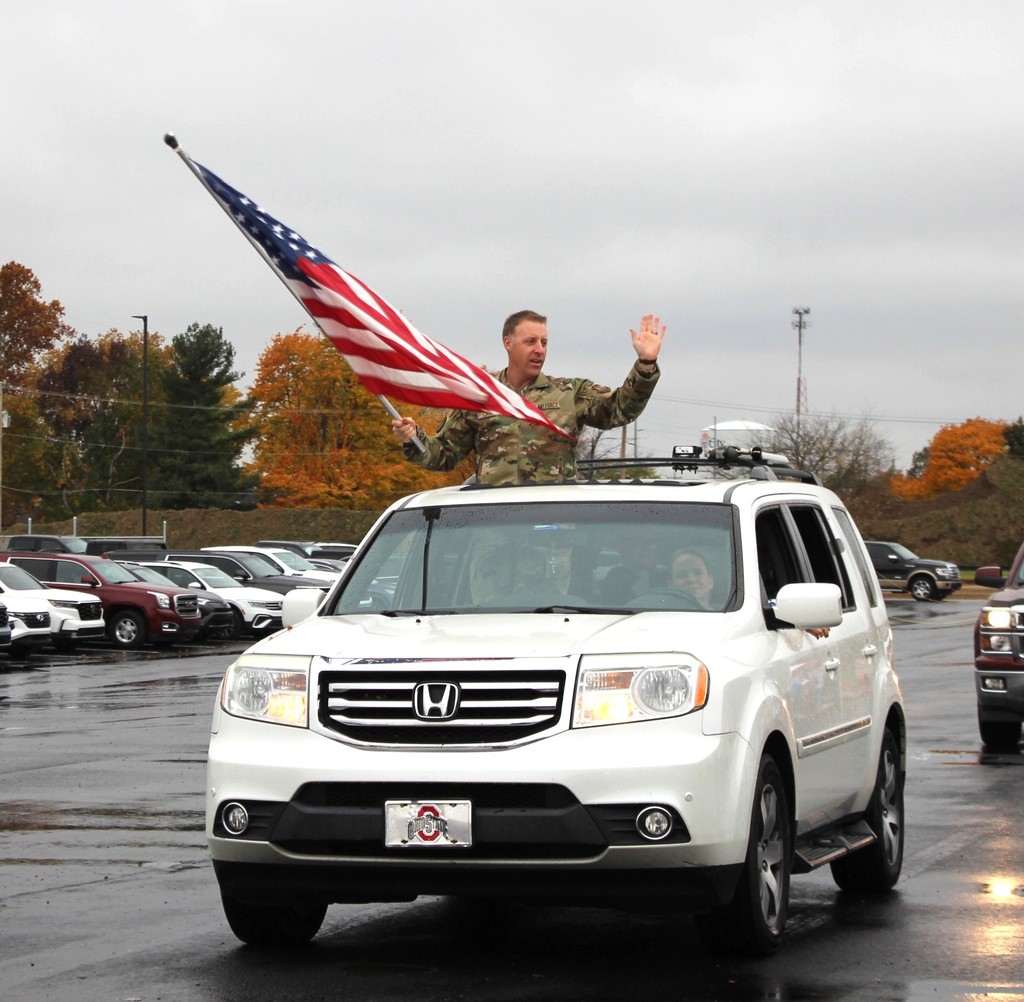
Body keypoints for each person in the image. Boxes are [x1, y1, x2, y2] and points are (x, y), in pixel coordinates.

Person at [391, 309, 665, 485]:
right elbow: (444, 456)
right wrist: (414, 437)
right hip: (493, 525)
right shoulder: (479, 394)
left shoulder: (569, 393)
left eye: (544, 342)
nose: (539, 350)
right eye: (530, 341)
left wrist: (645, 364)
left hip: (550, 525)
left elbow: (621, 409)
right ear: (508, 343)